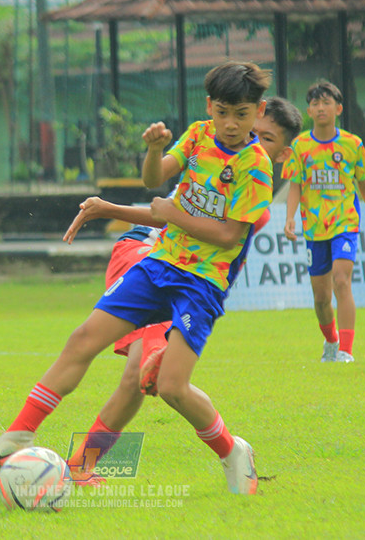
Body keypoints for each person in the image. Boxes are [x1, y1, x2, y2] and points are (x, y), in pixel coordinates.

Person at [0, 60, 275, 494]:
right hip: (157, 262)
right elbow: (154, 179)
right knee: (84, 338)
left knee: (170, 387)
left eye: (241, 114)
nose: (229, 123)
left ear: (258, 112)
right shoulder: (200, 134)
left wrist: (174, 215)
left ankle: (231, 451)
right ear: (209, 106)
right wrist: (153, 150)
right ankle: (19, 435)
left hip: (202, 282)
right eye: (222, 111)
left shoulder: (256, 166)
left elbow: (227, 237)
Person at [60, 98, 304, 485]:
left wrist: (112, 209)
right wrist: (112, 209)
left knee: (143, 381)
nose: (251, 137)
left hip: (183, 280)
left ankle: (85, 465)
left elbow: (188, 223)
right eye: (251, 127)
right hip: (150, 257)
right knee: (139, 377)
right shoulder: (214, 155)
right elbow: (167, 211)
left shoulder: (252, 196)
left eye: (265, 137)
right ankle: (83, 466)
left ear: (283, 154)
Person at [283, 80, 365, 363]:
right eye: (315, 103)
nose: (320, 108)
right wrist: (290, 218)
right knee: (321, 299)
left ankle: (346, 351)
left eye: (326, 102)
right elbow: (295, 185)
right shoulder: (300, 145)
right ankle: (331, 341)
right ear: (309, 110)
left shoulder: (352, 145)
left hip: (345, 223)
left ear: (338, 108)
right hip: (314, 228)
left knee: (342, 281)